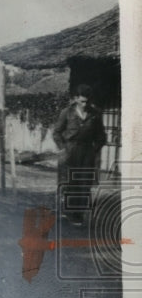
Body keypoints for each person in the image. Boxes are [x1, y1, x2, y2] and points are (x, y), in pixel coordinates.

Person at [53, 83, 107, 225]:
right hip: (70, 150)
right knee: (70, 182)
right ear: (76, 99)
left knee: (84, 183)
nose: (85, 104)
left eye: (87, 101)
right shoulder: (67, 112)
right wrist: (62, 149)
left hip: (87, 151)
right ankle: (68, 211)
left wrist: (94, 149)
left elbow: (101, 136)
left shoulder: (95, 114)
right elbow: (57, 132)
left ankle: (78, 214)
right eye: (82, 101)